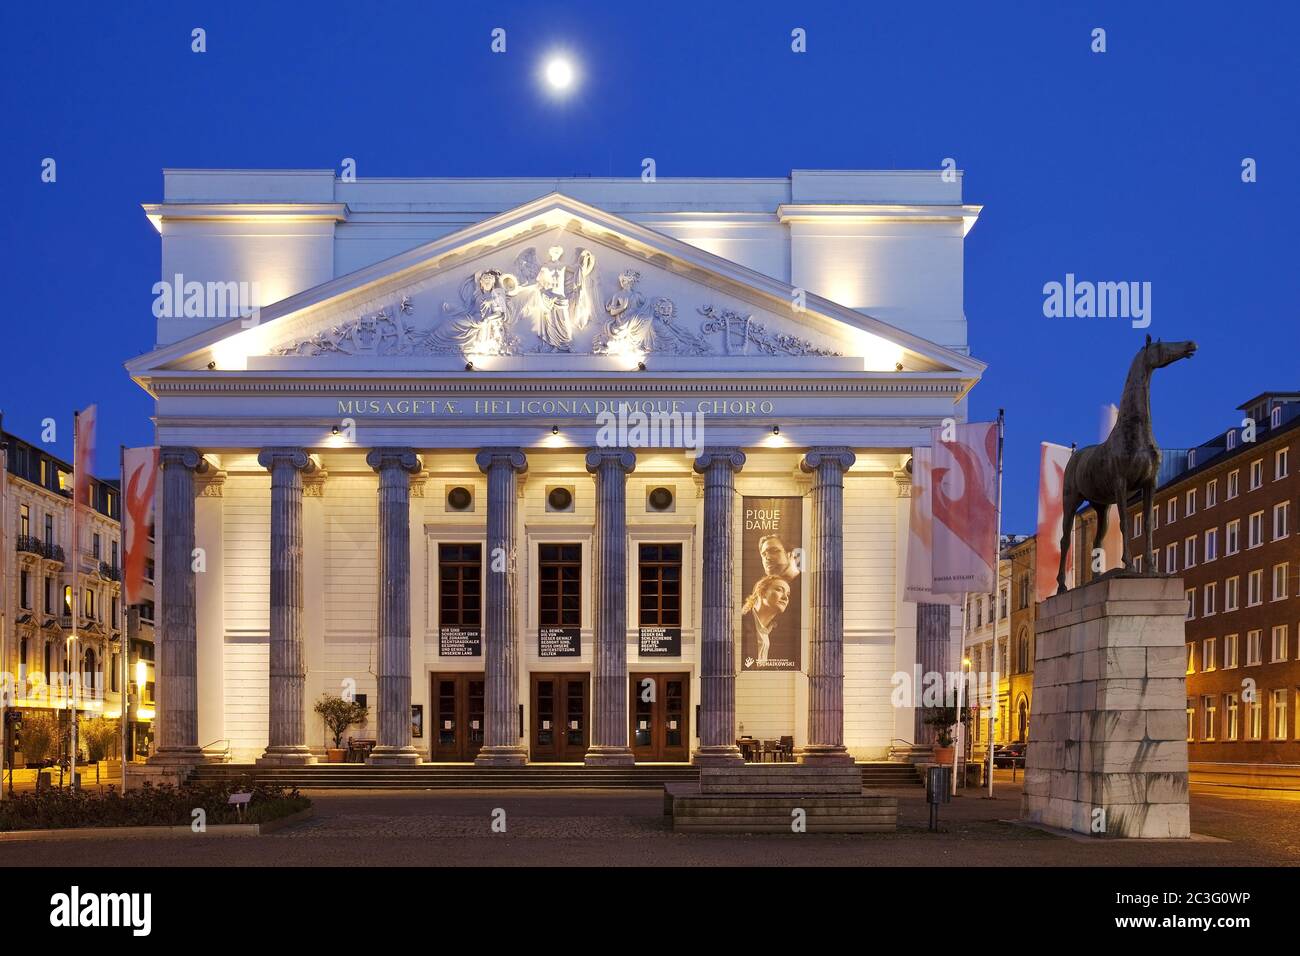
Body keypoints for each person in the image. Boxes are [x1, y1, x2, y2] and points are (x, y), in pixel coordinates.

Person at [741, 574, 791, 665]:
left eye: (788, 594)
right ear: (762, 592)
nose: (785, 598)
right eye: (779, 590)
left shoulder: (777, 633)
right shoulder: (740, 623)